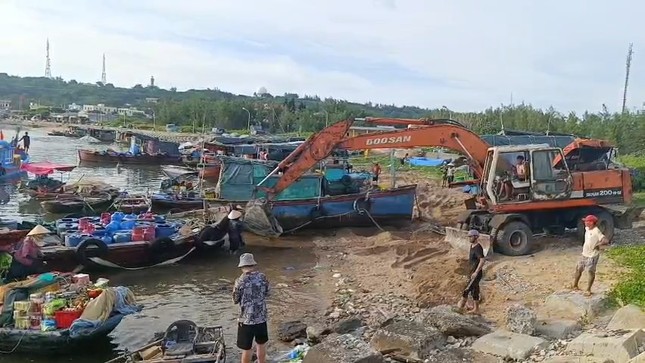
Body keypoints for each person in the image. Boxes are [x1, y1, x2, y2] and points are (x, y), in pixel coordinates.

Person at [233, 253, 270, 363]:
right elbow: (268, 293)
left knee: (247, 348)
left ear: (241, 267)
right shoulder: (263, 277)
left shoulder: (240, 281)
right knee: (261, 344)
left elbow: (235, 300)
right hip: (261, 318)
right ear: (253, 265)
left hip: (246, 320)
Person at [571, 214, 609, 296]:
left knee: (590, 272)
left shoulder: (596, 231)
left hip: (592, 255)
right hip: (584, 254)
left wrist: (598, 245)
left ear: (592, 222)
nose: (585, 222)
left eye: (587, 221)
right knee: (578, 269)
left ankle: (588, 289)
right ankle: (575, 285)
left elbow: (605, 240)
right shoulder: (587, 228)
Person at [457, 229, 486, 314]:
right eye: (468, 236)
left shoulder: (478, 248)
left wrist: (476, 272)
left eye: (471, 236)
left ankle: (460, 308)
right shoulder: (472, 246)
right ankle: (476, 309)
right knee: (475, 290)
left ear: (476, 237)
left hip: (475, 273)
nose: (469, 238)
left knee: (466, 289)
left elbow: (482, 260)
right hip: (472, 272)